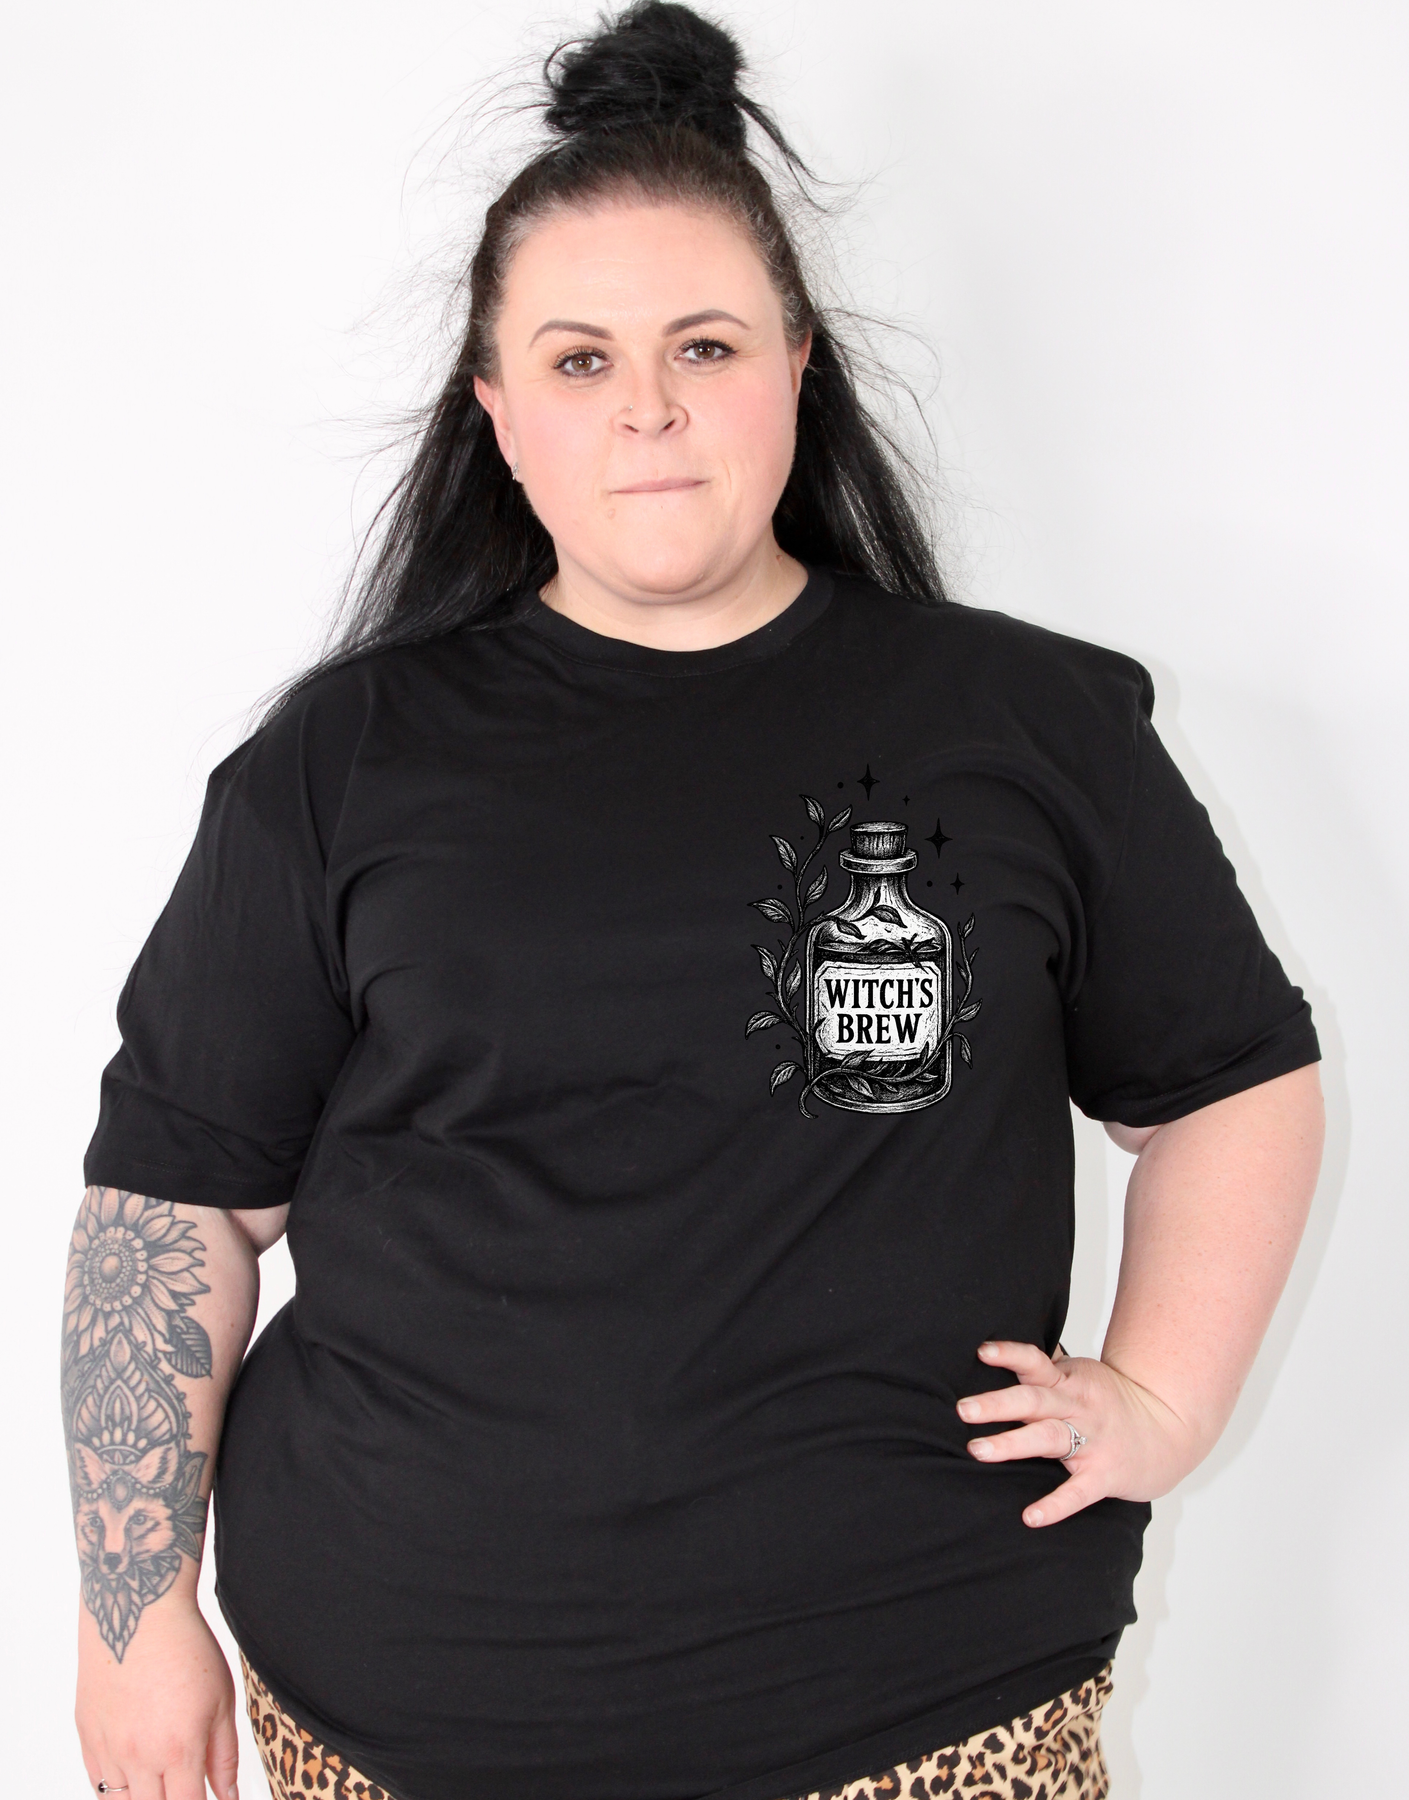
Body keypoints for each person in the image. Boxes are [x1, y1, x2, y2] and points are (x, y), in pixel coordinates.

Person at [66, 6, 1325, 1799]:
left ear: (797, 366)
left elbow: (1232, 1081)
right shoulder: (338, 764)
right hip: (401, 1721)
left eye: (704, 345)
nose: (646, 406)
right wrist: (132, 1615)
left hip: (935, 1702)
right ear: (498, 414)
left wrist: (1164, 1399)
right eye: (578, 360)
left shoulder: (1031, 727)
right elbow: (174, 1203)